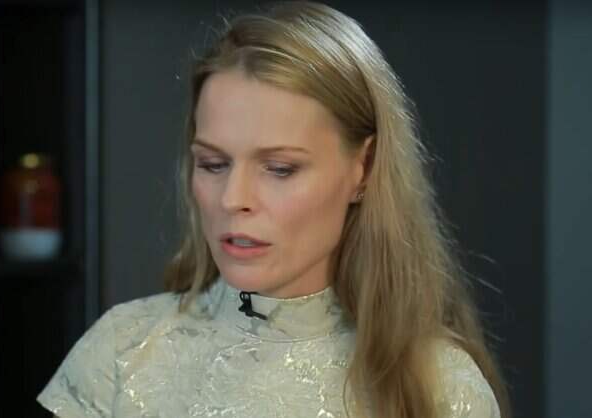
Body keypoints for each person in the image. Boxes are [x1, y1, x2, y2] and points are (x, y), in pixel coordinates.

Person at [37, 2, 511, 417]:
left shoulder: (442, 389)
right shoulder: (121, 352)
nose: (232, 199)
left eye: (280, 169)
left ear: (363, 168)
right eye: (214, 164)